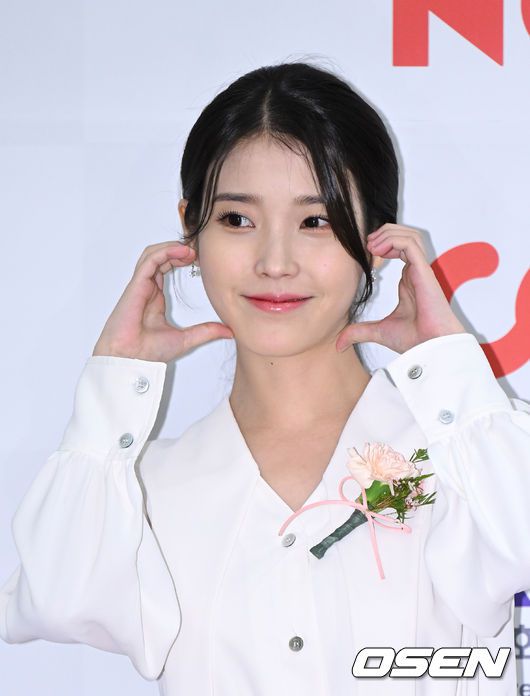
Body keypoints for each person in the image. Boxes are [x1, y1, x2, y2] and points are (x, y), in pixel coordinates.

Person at [1, 61, 529, 696]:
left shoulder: (469, 456)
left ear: (379, 239)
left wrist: (448, 368)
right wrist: (114, 387)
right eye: (237, 220)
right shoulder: (144, 487)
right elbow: (56, 602)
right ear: (190, 229)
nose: (275, 262)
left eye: (316, 221)